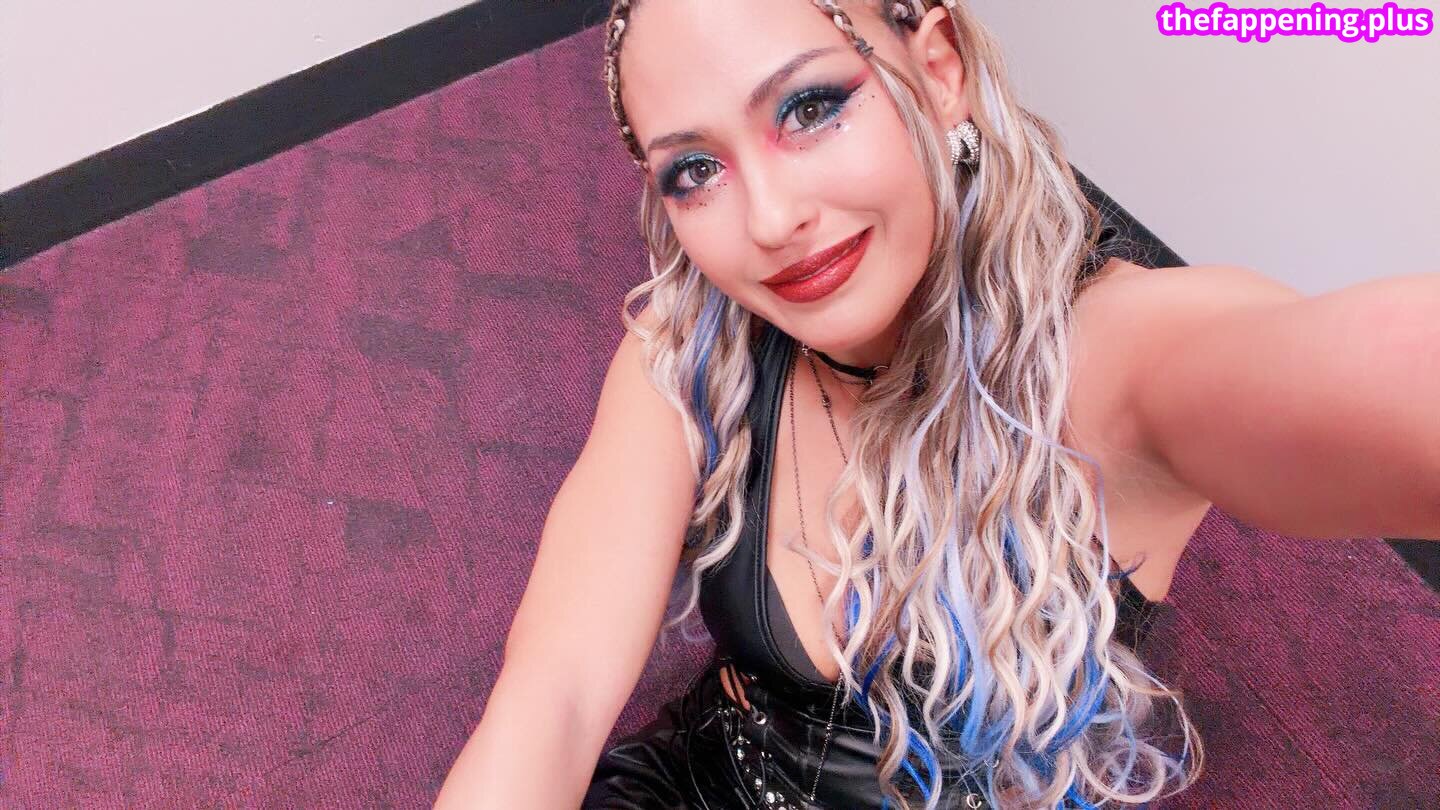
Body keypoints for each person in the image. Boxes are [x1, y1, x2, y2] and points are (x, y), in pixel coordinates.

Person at [435, 1, 1440, 807]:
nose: (772, 220)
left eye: (810, 109)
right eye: (696, 171)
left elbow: (1368, 371)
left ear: (938, 66)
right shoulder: (688, 342)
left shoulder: (1121, 360)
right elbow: (555, 696)